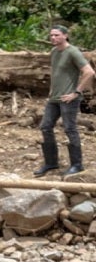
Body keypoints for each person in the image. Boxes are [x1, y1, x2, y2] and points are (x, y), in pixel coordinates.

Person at [37, 25, 94, 176]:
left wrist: (76, 92)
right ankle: (51, 162)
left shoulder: (73, 52)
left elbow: (89, 72)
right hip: (55, 98)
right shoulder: (54, 52)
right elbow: (54, 71)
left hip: (69, 99)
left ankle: (77, 164)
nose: (53, 38)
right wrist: (51, 89)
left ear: (65, 36)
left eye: (56, 35)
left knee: (70, 129)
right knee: (45, 126)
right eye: (51, 35)